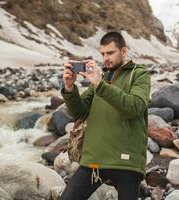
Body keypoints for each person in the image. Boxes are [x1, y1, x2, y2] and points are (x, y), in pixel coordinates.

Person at [60, 31, 151, 200]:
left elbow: (135, 107)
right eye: (102, 54)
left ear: (123, 51)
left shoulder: (139, 74)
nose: (105, 58)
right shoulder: (101, 78)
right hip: (94, 160)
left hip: (126, 161)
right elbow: (79, 112)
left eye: (110, 53)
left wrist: (99, 84)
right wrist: (70, 88)